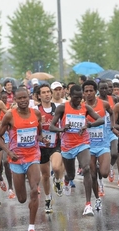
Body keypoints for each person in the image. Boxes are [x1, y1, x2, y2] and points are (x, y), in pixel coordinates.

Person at [0, 88, 49, 231]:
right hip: (16, 159)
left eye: (25, 97)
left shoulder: (36, 114)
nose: (23, 100)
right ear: (15, 101)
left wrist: (41, 138)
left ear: (29, 97)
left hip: (33, 157)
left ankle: (31, 228)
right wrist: (8, 152)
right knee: (21, 199)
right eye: (20, 98)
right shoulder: (10, 116)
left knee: (34, 190)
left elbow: (38, 133)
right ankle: (29, 204)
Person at [49, 84, 104, 216]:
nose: (79, 100)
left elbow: (101, 120)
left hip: (82, 143)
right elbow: (51, 126)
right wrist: (62, 129)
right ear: (69, 96)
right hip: (67, 146)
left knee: (87, 168)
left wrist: (89, 124)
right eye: (76, 97)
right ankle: (66, 180)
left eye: (81, 97)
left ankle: (88, 205)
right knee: (71, 174)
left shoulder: (85, 108)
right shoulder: (63, 108)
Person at [82, 80, 117, 209]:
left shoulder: (104, 104)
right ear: (83, 93)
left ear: (95, 91)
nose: (89, 93)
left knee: (103, 173)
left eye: (91, 90)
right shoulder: (81, 108)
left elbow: (112, 113)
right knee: (92, 175)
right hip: (88, 146)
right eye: (86, 91)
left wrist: (112, 126)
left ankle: (101, 168)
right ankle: (97, 199)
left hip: (103, 144)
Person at [35, 84, 65, 213]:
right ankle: (48, 198)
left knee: (57, 167)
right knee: (45, 175)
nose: (47, 94)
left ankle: (58, 180)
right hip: (41, 146)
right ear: (39, 95)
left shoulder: (58, 108)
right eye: (44, 92)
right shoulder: (35, 110)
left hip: (55, 144)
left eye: (48, 92)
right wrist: (38, 123)